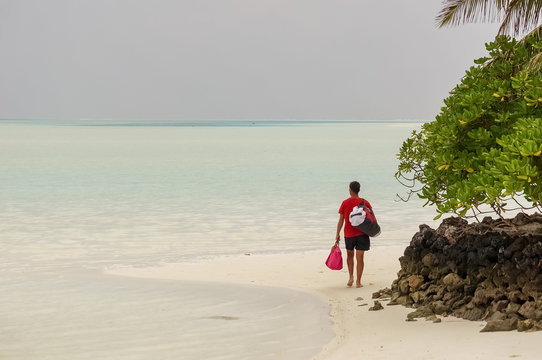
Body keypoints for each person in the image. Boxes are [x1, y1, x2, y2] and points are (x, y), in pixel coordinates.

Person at [335, 181, 372, 288]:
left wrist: (337, 234)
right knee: (360, 258)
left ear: (350, 190)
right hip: (362, 233)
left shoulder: (345, 203)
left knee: (349, 256)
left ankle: (351, 278)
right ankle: (358, 282)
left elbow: (341, 220)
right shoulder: (365, 202)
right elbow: (371, 217)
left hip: (349, 234)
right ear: (358, 190)